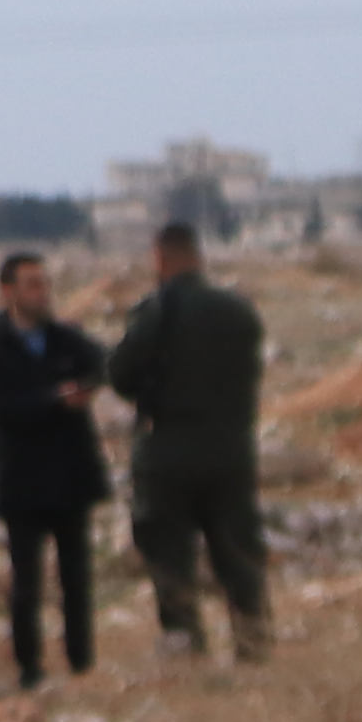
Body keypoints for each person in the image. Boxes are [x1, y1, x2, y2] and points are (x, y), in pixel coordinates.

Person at [104, 218, 271, 662]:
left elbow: (120, 372)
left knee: (170, 554)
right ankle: (253, 643)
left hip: (169, 450)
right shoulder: (238, 311)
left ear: (160, 258)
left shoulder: (157, 311)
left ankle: (186, 647)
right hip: (231, 449)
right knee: (237, 551)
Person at [0, 250, 109, 688]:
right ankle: (30, 669)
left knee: (77, 578)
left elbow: (100, 363)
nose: (42, 292)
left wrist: (80, 388)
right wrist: (54, 400)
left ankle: (82, 663)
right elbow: (3, 406)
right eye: (32, 284)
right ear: (8, 292)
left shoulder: (66, 338)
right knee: (26, 583)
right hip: (24, 480)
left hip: (71, 475)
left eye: (45, 283)